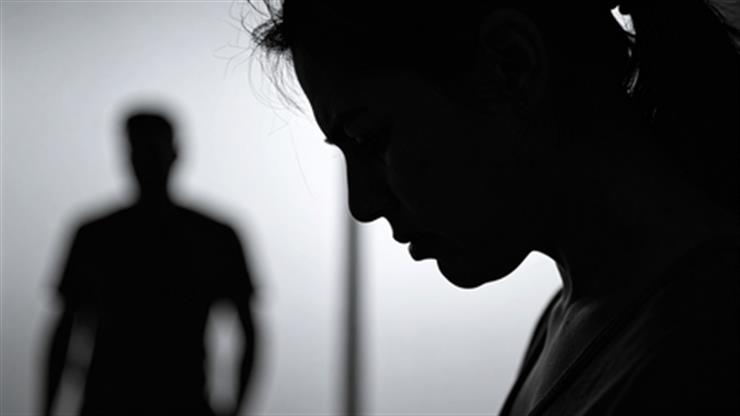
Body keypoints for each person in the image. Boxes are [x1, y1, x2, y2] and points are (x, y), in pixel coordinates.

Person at [249, 0, 739, 414]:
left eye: (369, 138)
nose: (362, 204)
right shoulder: (574, 317)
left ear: (512, 66)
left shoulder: (705, 347)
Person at [42, 112, 257, 416]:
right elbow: (64, 331)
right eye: (141, 151)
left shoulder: (98, 234)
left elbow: (65, 331)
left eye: (152, 151)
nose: (147, 162)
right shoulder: (212, 235)